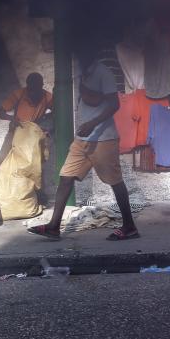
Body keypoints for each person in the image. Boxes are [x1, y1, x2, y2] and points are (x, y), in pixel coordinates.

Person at [27, 46, 140, 241]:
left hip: (103, 138)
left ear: (92, 54)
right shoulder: (81, 71)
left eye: (82, 53)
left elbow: (114, 104)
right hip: (82, 140)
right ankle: (54, 227)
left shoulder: (103, 73)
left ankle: (129, 227)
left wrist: (92, 123)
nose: (79, 57)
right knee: (66, 178)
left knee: (114, 182)